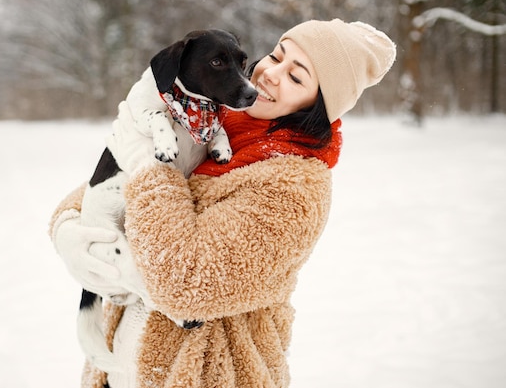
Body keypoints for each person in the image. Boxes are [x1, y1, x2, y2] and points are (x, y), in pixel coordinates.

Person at [49, 19, 396, 388]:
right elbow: (108, 183)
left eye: (296, 78)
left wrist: (148, 162)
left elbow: (186, 284)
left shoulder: (293, 186)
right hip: (120, 369)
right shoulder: (212, 119)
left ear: (317, 105)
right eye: (276, 56)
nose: (270, 74)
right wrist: (69, 228)